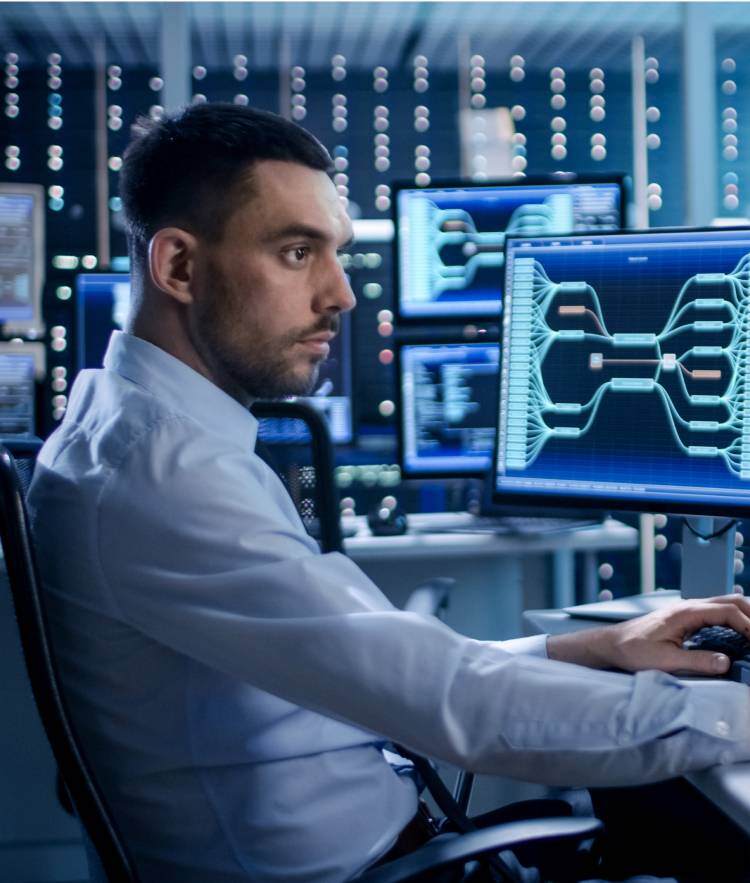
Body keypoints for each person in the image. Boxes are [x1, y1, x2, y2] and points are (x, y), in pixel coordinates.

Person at [28, 103, 750, 883]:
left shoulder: (142, 437)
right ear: (179, 268)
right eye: (297, 252)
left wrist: (580, 647)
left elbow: (376, 664)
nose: (341, 294)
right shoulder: (161, 475)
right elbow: (455, 704)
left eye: (334, 252)